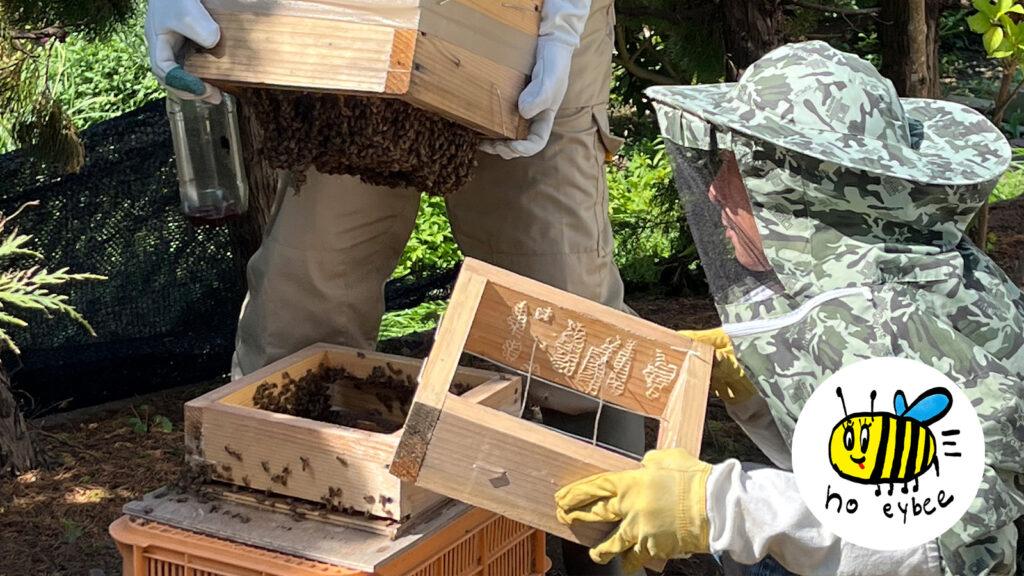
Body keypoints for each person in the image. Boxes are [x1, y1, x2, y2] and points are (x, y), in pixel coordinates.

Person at [144, 1, 644, 574]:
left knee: (566, 328)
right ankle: (271, 541)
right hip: (350, 21)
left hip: (530, 20)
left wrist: (561, 22)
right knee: (301, 303)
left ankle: (610, 555)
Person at [554, 41, 1024, 576]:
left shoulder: (881, 317)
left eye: (730, 167)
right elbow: (862, 466)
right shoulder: (890, 269)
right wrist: (761, 390)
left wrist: (717, 508)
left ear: (789, 189)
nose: (711, 192)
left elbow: (932, 549)